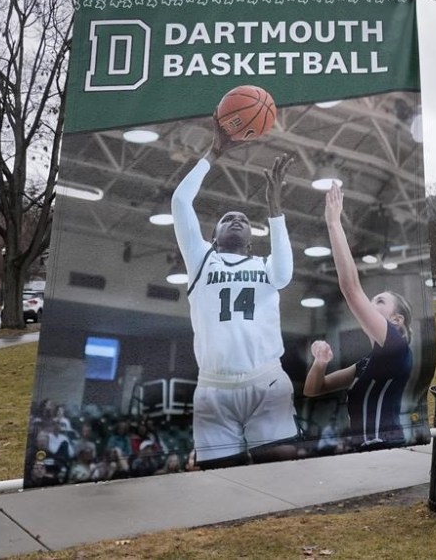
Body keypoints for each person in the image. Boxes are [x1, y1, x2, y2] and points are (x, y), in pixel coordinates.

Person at [171, 120, 298, 469]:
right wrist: (213, 152)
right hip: (213, 387)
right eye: (228, 218)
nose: (237, 219)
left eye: (243, 218)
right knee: (220, 487)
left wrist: (275, 210)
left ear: (252, 239)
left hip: (266, 379)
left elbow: (285, 276)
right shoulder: (201, 259)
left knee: (281, 472)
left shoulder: (266, 265)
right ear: (213, 236)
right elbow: (181, 202)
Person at [304, 183, 414, 450]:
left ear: (396, 320)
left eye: (379, 301)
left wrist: (334, 223)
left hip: (385, 449)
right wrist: (319, 363)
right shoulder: (366, 363)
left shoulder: (396, 348)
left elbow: (351, 288)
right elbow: (312, 390)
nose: (370, 303)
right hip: (362, 452)